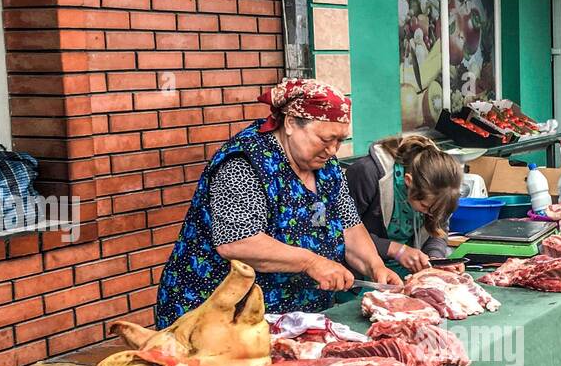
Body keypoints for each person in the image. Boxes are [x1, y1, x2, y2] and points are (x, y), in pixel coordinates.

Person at [154, 78, 401, 327]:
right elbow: (237, 241)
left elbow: (349, 226)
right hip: (221, 318)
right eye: (325, 139)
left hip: (295, 319)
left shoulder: (327, 168)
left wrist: (375, 267)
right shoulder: (245, 163)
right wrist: (311, 262)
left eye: (340, 140)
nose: (333, 150)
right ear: (291, 123)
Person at [345, 134, 462, 272]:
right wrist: (396, 250)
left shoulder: (444, 187)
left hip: (404, 272)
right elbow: (341, 231)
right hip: (359, 272)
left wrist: (435, 258)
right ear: (408, 181)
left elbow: (439, 227)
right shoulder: (367, 174)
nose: (428, 214)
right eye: (425, 206)